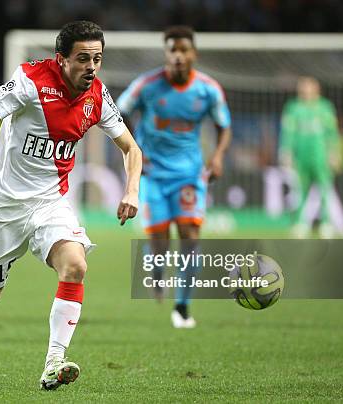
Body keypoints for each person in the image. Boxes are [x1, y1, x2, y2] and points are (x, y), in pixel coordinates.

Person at [0, 21, 141, 390]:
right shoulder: (30, 80)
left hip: (50, 202)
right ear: (61, 59)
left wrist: (132, 191)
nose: (91, 67)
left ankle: (54, 361)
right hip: (4, 205)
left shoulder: (97, 95)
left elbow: (132, 148)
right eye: (83, 59)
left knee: (75, 266)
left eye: (97, 59)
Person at [117, 26, 231, 328]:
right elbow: (120, 110)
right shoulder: (147, 85)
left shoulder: (208, 89)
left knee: (190, 238)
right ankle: (156, 273)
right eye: (172, 50)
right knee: (159, 241)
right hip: (153, 173)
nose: (178, 55)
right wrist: (134, 147)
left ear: (193, 53)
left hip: (190, 175)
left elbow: (224, 125)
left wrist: (217, 156)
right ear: (166, 53)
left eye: (183, 50)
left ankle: (182, 306)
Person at [279, 76, 340, 239]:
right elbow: (288, 132)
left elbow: (332, 133)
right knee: (300, 190)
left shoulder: (325, 107)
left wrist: (334, 152)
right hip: (301, 156)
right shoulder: (293, 108)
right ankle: (300, 224)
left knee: (325, 188)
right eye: (302, 87)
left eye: (308, 87)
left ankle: (327, 223)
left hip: (321, 155)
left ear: (316, 89)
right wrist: (286, 152)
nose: (304, 90)